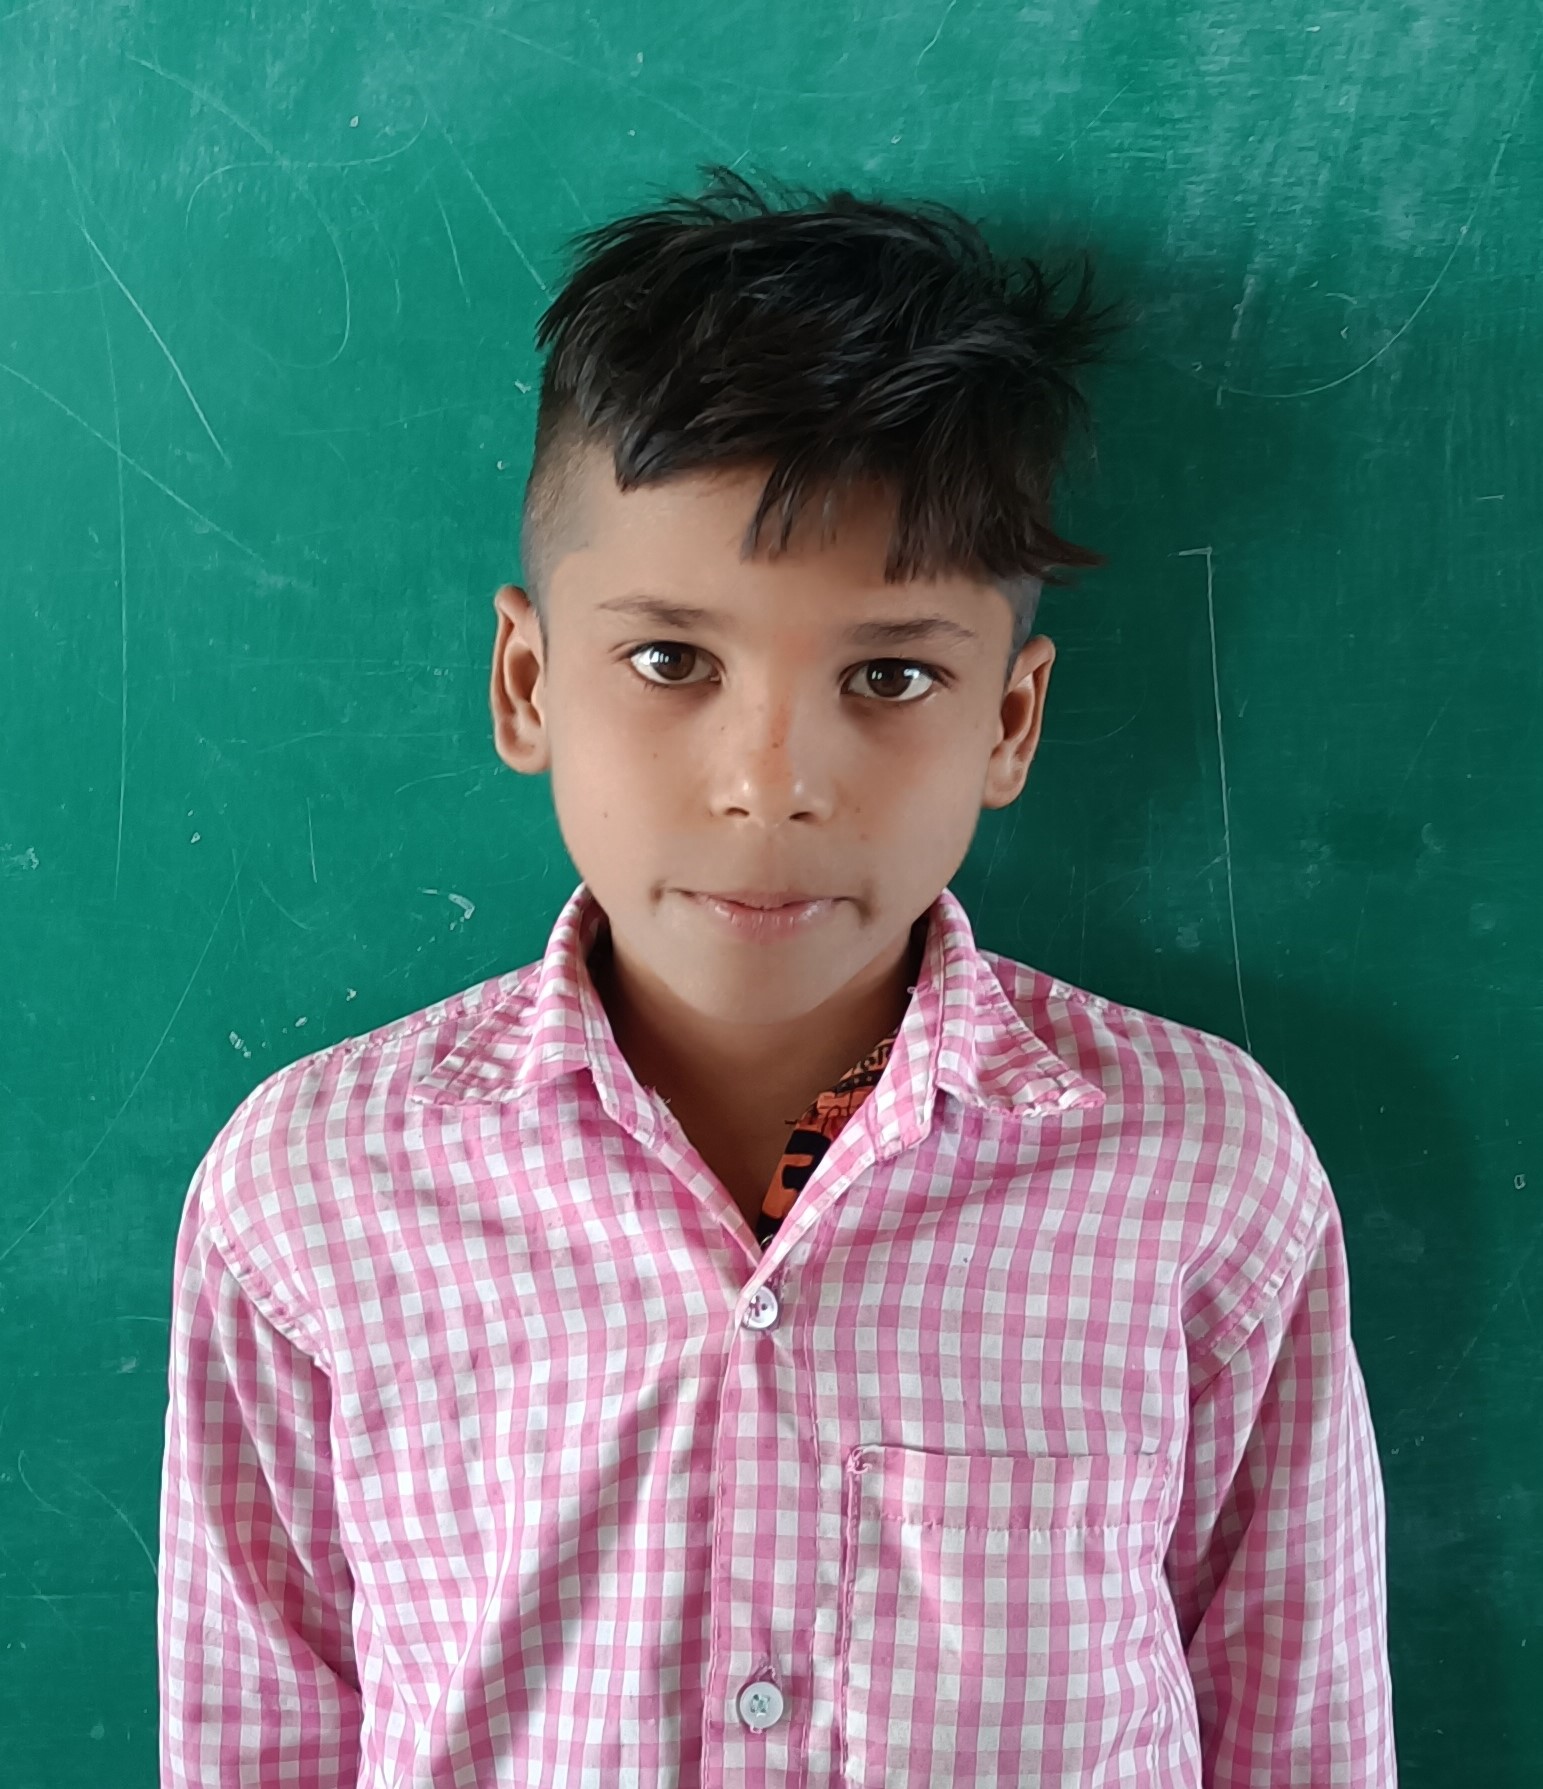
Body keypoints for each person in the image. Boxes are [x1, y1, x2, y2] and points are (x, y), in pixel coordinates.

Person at [157, 164, 1396, 1786]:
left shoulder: (1200, 1170)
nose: (771, 780)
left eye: (890, 675)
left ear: (1010, 720)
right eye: (669, 659)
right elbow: (257, 1735)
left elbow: (1303, 1731)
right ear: (527, 681)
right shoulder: (311, 1193)